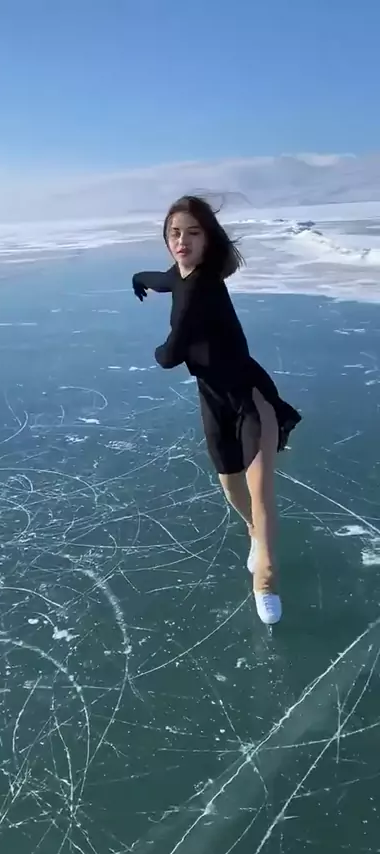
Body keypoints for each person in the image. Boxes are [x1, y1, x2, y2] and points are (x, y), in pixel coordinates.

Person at [132, 195, 301, 625]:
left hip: (249, 397)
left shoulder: (201, 289)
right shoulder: (183, 274)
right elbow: (167, 279)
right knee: (231, 488)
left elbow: (171, 354)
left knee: (261, 496)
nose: (182, 241)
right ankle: (254, 534)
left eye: (193, 233)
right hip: (212, 399)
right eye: (175, 233)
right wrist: (139, 278)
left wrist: (155, 352)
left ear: (208, 239)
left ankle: (265, 581)